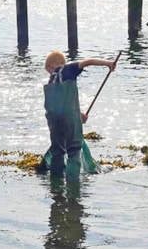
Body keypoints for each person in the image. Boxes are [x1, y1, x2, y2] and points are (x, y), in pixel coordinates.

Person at [43, 51, 117, 183]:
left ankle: (55, 185)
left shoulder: (51, 81)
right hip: (69, 120)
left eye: (48, 68)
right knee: (74, 150)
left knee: (57, 152)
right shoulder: (67, 70)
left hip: (54, 121)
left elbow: (59, 103)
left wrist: (79, 115)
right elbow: (88, 62)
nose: (49, 71)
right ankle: (72, 187)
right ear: (61, 64)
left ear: (52, 65)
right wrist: (108, 64)